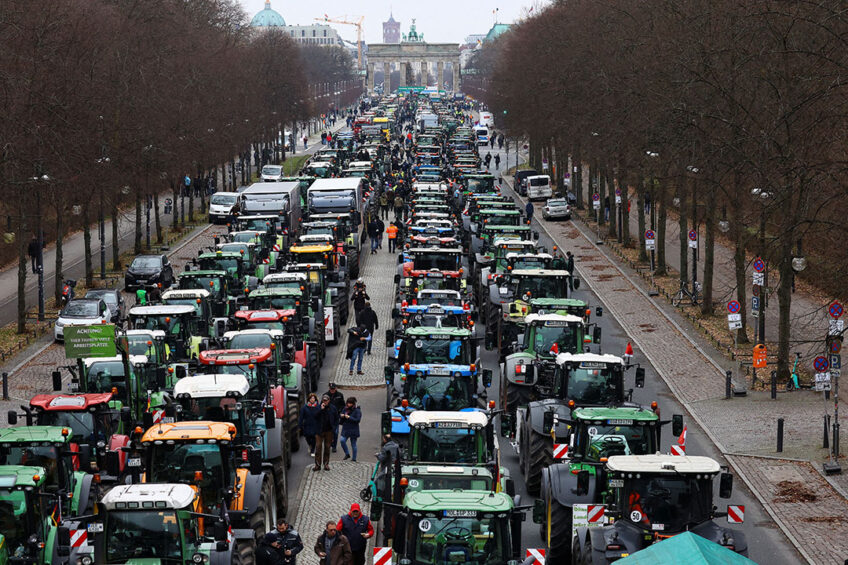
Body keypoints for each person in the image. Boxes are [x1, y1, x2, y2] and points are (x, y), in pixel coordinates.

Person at [315, 395, 339, 471]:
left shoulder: (333, 408)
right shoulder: (318, 407)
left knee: (327, 447)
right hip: (319, 431)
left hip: (329, 431)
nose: (324, 402)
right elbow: (315, 416)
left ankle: (326, 464)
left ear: (329, 400)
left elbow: (336, 419)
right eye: (323, 400)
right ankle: (317, 465)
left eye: (326, 400)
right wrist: (321, 409)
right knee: (318, 447)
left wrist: (334, 428)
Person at [339, 397, 361, 462]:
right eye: (348, 403)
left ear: (353, 404)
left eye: (350, 403)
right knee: (342, 440)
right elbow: (341, 414)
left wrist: (349, 417)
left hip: (353, 430)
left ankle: (354, 459)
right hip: (346, 429)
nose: (348, 404)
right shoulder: (345, 408)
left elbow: (357, 420)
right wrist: (341, 415)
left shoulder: (357, 410)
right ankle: (347, 453)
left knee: (353, 444)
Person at [325, 383, 345, 453]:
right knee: (328, 431)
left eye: (333, 389)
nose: (332, 390)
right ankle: (329, 442)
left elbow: (343, 405)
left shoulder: (340, 395)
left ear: (336, 388)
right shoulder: (326, 395)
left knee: (336, 432)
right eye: (331, 389)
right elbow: (322, 404)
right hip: (327, 416)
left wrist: (340, 411)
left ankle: (334, 446)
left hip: (336, 416)